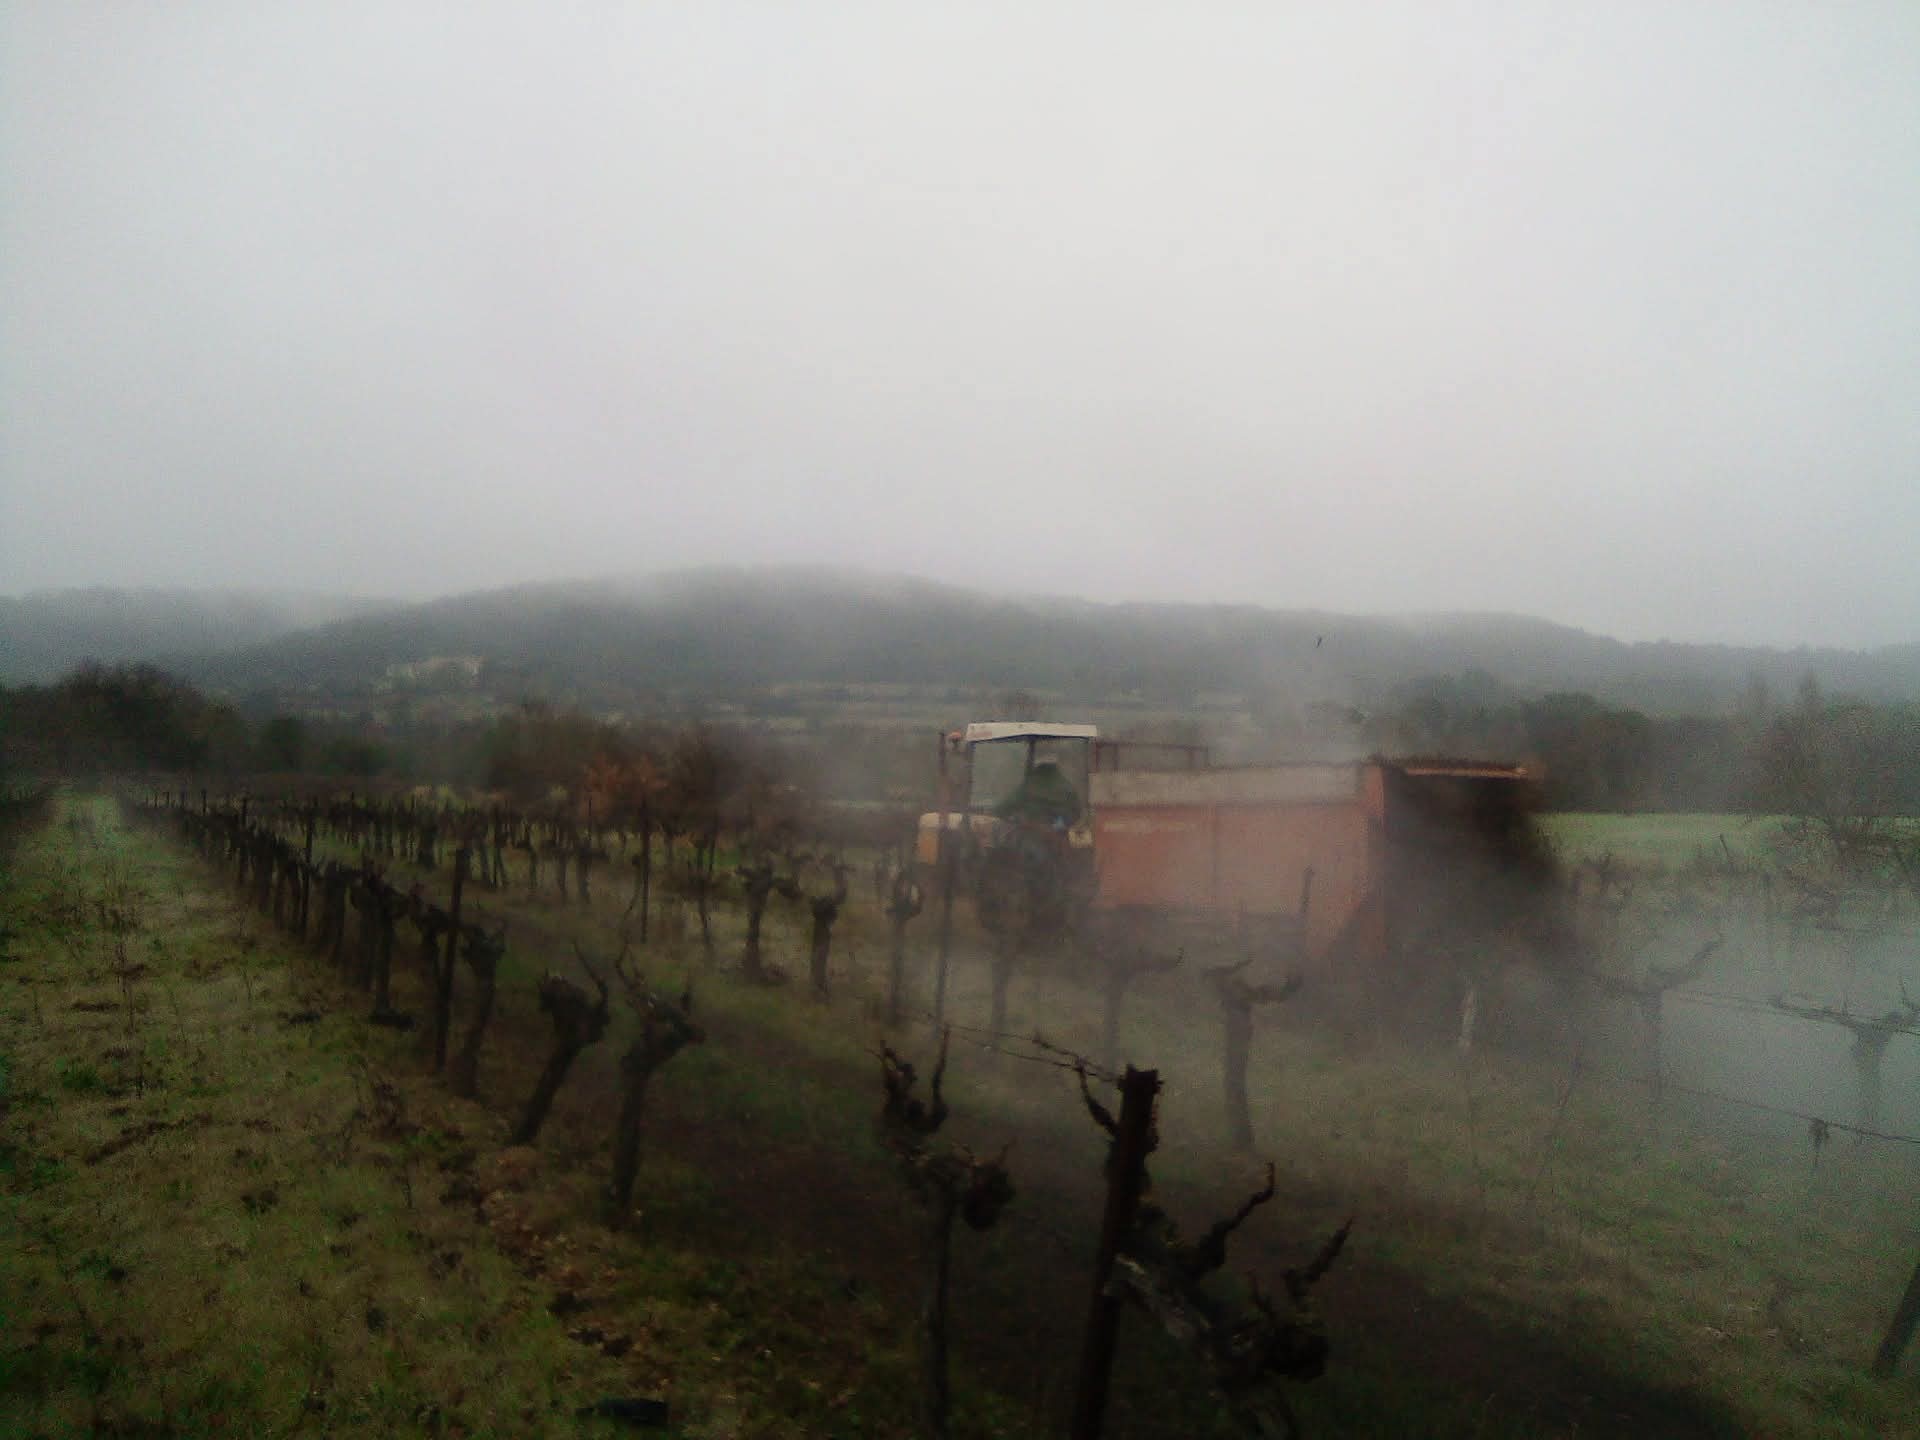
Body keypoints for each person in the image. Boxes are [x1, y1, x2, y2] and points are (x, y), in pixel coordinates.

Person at [994, 756, 1083, 830]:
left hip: (1032, 834)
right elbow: (1076, 812)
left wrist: (997, 813)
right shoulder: (1066, 786)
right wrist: (1060, 825)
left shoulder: (1030, 784)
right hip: (1060, 836)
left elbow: (1007, 805)